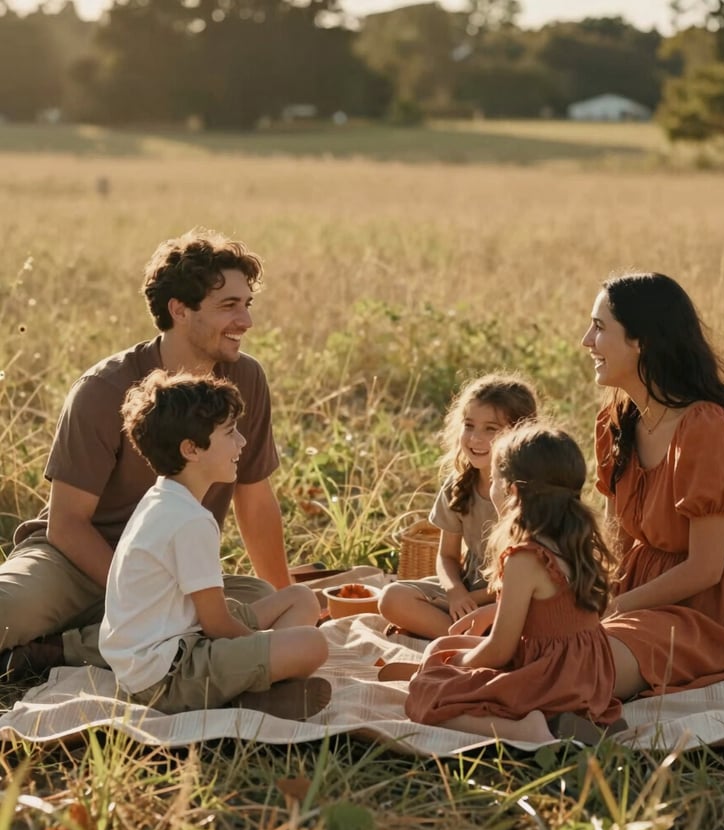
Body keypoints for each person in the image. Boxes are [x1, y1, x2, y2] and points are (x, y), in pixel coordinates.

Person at [1, 228, 304, 683]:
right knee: (8, 609)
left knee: (263, 598)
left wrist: (282, 595)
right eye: (229, 306)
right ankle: (82, 636)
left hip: (172, 570)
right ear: (179, 310)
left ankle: (62, 648)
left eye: (247, 305)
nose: (246, 321)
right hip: (74, 561)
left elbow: (255, 500)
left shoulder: (246, 379)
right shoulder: (103, 389)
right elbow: (67, 523)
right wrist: (139, 596)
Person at [97, 371, 329, 718]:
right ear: (191, 449)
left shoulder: (164, 497)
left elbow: (209, 615)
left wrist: (262, 646)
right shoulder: (189, 520)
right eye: (230, 432)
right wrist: (262, 646)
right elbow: (217, 624)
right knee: (312, 645)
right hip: (166, 676)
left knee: (300, 598)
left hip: (173, 642)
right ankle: (247, 696)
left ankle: (259, 681)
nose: (242, 443)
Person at [582, 271, 724, 700]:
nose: (586, 341)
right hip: (637, 588)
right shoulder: (618, 419)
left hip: (708, 611)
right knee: (553, 641)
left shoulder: (704, 427)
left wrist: (614, 610)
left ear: (641, 341)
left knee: (588, 664)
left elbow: (706, 568)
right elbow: (617, 538)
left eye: (599, 327)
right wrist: (589, 595)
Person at [391, 420, 623, 745]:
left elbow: (501, 649)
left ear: (512, 491)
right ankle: (574, 717)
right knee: (440, 648)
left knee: (425, 694)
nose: (492, 487)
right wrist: (451, 653)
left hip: (549, 680)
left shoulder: (524, 558)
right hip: (588, 679)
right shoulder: (574, 541)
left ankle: (526, 729)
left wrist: (460, 666)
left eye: (496, 479)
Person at [378, 373, 538, 640]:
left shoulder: (529, 491)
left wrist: (468, 600)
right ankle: (477, 642)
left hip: (515, 598)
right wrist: (455, 593)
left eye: (491, 429)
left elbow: (531, 573)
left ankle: (483, 640)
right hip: (467, 593)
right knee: (392, 598)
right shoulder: (460, 483)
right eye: (469, 425)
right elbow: (447, 557)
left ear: (520, 433)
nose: (475, 438)